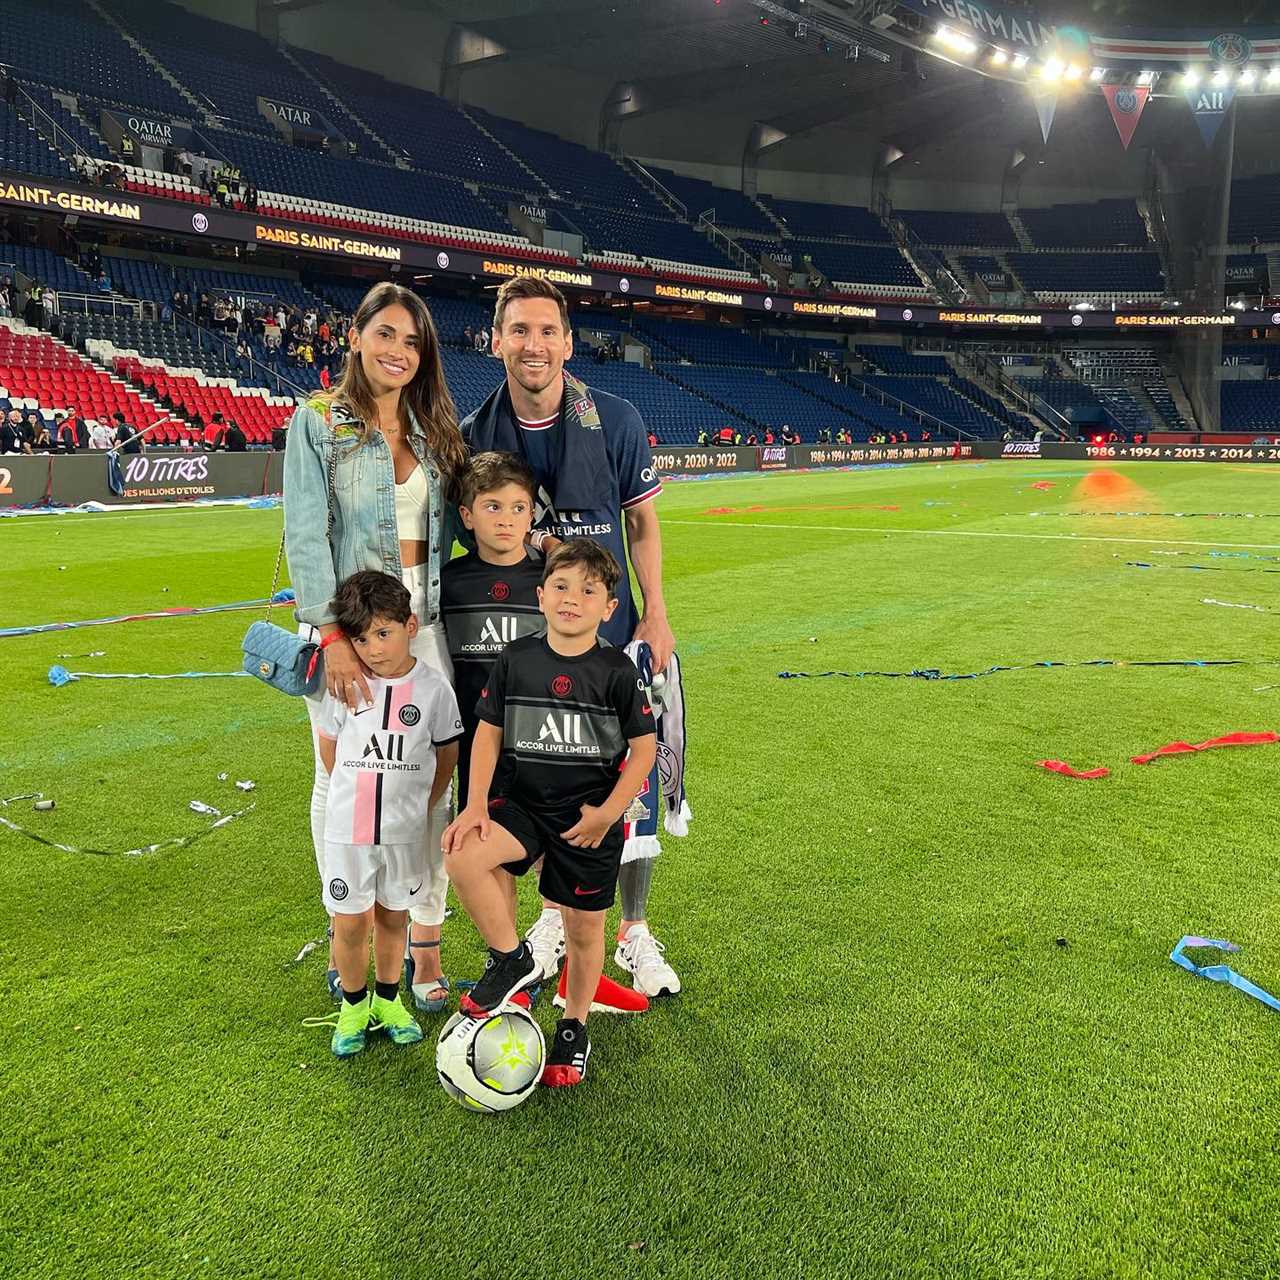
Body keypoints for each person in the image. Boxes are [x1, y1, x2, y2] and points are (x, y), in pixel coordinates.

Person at [461, 275, 680, 996]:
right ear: (496, 340)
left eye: (547, 331)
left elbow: (641, 521)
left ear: (568, 341)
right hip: (529, 650)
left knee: (633, 791)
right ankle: (555, 920)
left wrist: (655, 611)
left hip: (614, 638)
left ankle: (635, 932)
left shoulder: (614, 419)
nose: (534, 344)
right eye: (519, 330)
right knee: (550, 785)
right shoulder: (473, 434)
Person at [284, 280, 467, 1006]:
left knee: (428, 790)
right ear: (354, 335)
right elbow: (305, 532)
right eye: (386, 334)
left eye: (413, 341)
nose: (398, 351)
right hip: (348, 633)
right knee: (343, 780)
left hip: (425, 632)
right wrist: (332, 636)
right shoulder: (318, 421)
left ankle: (424, 941)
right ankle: (348, 940)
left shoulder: (433, 430)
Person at [442, 539, 657, 1087]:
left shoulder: (616, 671)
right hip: (523, 806)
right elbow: (488, 733)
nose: (572, 599)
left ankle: (573, 1026)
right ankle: (512, 959)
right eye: (561, 587)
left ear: (610, 608)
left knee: (584, 931)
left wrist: (608, 813)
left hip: (588, 818)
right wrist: (473, 805)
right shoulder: (516, 658)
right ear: (540, 596)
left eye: (589, 591)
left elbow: (645, 750)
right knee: (463, 856)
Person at [311, 571, 461, 1057]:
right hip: (348, 833)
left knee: (394, 917)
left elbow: (447, 753)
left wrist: (421, 803)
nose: (372, 648)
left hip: (402, 832)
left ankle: (389, 998)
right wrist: (353, 795)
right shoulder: (346, 684)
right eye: (360, 638)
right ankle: (355, 1006)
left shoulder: (434, 689)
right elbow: (330, 748)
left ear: (410, 625)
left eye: (383, 633)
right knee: (352, 923)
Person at [441, 450, 544, 814]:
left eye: (519, 508)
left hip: (540, 740)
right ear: (466, 516)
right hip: (475, 737)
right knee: (483, 845)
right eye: (493, 507)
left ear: (531, 515)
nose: (507, 520)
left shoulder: (552, 578)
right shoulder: (449, 581)